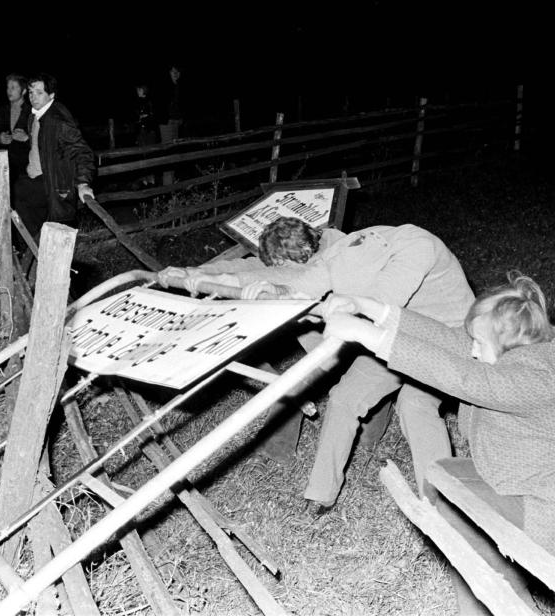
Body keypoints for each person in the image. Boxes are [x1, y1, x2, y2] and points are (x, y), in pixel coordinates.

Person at [158, 217, 475, 512]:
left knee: (414, 405)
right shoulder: (343, 250)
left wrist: (340, 308)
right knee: (344, 398)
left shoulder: (417, 245)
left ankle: (442, 506)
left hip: (447, 337)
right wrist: (268, 290)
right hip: (393, 337)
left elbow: (380, 306)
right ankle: (321, 495)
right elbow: (298, 283)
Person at [322, 272, 555, 613]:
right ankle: (488, 595)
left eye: (479, 342)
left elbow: (459, 375)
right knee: (446, 483)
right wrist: (369, 308)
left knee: (464, 519)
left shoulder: (534, 380)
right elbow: (449, 342)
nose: (471, 349)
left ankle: (500, 601)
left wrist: (365, 335)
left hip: (542, 505)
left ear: (507, 344)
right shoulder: (523, 349)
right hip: (516, 480)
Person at [12, 72, 95, 246]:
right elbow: (42, 146)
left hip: (51, 183)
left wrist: (83, 183)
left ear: (51, 95)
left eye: (39, 92)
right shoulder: (34, 116)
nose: (33, 97)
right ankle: (30, 255)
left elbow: (83, 152)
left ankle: (34, 257)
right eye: (31, 92)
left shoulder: (58, 120)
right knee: (20, 199)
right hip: (35, 179)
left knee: (46, 233)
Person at [0, 73, 31, 188]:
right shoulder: (1, 111)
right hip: (2, 168)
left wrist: (26, 138)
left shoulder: (32, 113)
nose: (9, 91)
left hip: (25, 172)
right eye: (8, 87)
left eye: (13, 87)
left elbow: (43, 143)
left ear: (23, 91)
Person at [154, 64, 186, 185]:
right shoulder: (164, 86)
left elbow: (180, 105)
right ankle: (167, 187)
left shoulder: (179, 87)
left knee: (174, 153)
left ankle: (172, 185)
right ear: (169, 72)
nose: (176, 73)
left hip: (176, 122)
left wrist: (181, 117)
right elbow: (160, 105)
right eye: (173, 71)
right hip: (166, 122)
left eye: (178, 71)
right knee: (167, 152)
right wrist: (165, 118)